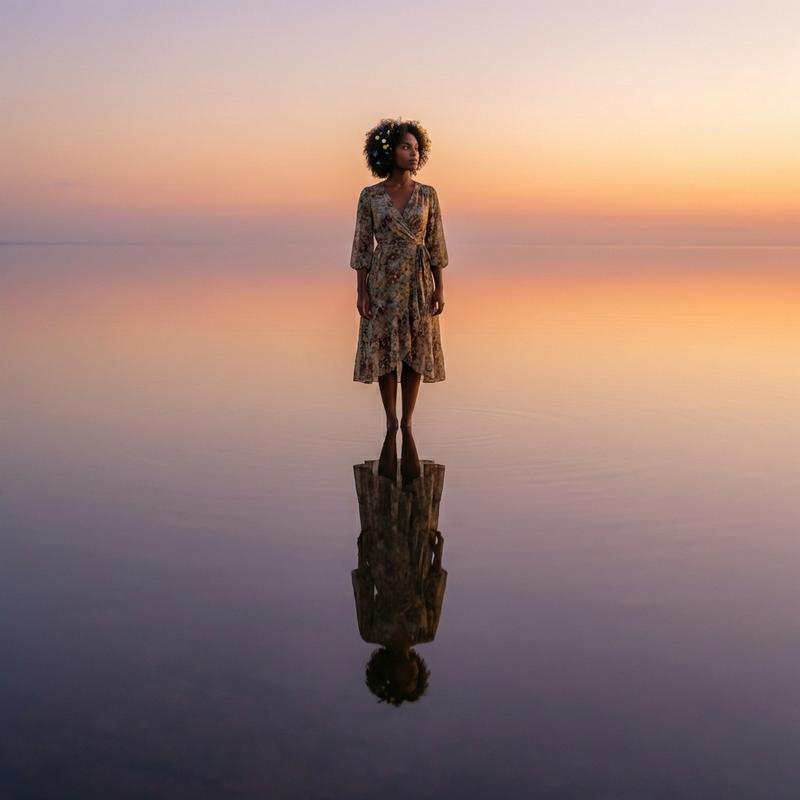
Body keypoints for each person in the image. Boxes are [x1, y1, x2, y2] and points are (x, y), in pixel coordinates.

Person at [349, 117, 449, 431]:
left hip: (418, 281)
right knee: (386, 349)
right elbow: (362, 245)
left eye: (417, 148)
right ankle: (391, 420)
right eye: (406, 147)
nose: (413, 153)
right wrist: (361, 291)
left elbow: (435, 243)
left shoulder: (428, 195)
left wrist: (439, 288)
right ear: (389, 151)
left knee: (415, 349)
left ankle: (407, 421)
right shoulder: (370, 196)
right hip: (383, 280)